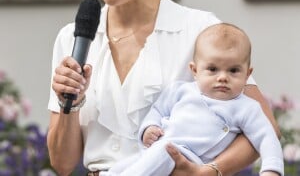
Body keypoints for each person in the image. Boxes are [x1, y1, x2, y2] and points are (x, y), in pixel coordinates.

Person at [47, 0, 280, 176]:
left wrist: (211, 171)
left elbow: (265, 128)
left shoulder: (199, 29)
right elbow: (62, 163)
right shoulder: (72, 39)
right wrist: (67, 104)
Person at [100, 23, 284, 176]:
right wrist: (149, 128)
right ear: (194, 70)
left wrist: (271, 170)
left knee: (161, 154)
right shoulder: (180, 90)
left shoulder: (246, 108)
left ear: (247, 74)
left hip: (188, 160)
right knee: (122, 167)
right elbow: (157, 112)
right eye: (212, 69)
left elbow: (267, 138)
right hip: (153, 152)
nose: (222, 77)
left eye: (233, 70)